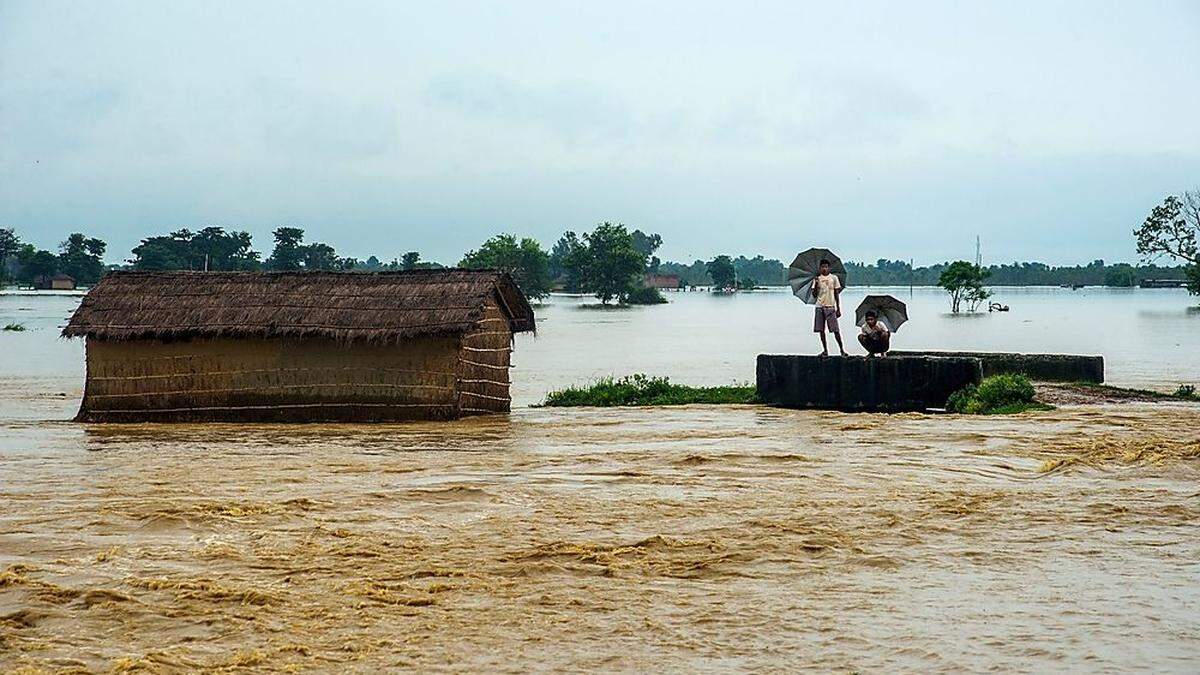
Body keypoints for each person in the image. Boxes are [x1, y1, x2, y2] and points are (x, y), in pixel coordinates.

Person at [811, 259, 846, 356]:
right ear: (820, 268)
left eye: (826, 267)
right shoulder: (817, 279)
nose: (824, 269)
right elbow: (814, 295)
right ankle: (825, 350)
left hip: (830, 306)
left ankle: (842, 350)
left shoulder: (834, 278)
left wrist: (838, 308)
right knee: (821, 330)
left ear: (829, 268)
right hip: (819, 306)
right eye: (822, 267)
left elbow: (836, 294)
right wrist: (817, 284)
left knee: (835, 330)